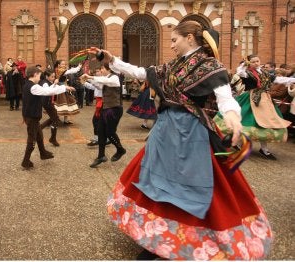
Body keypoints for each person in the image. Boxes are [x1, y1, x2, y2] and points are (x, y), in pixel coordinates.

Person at [91, 21, 273, 260]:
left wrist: (232, 116)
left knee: (187, 186)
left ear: (190, 38)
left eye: (174, 40)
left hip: (190, 134)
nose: (172, 45)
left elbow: (224, 96)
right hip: (165, 131)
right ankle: (156, 238)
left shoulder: (210, 66)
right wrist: (110, 60)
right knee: (155, 182)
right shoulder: (173, 66)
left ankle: (188, 240)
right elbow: (141, 72)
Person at [215, 54, 294, 160]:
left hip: (265, 101)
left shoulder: (265, 73)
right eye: (253, 61)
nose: (256, 63)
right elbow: (240, 72)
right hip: (251, 99)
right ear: (249, 63)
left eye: (258, 61)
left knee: (266, 123)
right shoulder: (247, 73)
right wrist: (244, 64)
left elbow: (278, 80)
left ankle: (264, 149)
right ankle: (237, 142)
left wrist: (292, 80)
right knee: (245, 121)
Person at [21, 66, 75, 169]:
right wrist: (64, 87)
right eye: (39, 76)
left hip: (32, 116)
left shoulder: (29, 85)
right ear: (35, 74)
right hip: (31, 117)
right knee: (32, 140)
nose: (40, 78)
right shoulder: (33, 87)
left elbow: (45, 90)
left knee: (39, 136)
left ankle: (43, 153)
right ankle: (25, 161)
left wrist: (55, 85)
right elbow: (47, 92)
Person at [83, 63, 126, 168]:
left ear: (108, 69)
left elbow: (108, 82)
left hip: (115, 109)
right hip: (106, 108)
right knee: (101, 131)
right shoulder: (104, 78)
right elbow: (99, 85)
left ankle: (120, 149)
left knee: (110, 132)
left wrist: (91, 76)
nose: (100, 70)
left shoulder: (114, 77)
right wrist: (87, 80)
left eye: (102, 68)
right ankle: (101, 156)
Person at [39, 69, 62, 146]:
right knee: (55, 119)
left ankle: (40, 128)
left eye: (54, 76)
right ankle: (53, 138)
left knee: (55, 118)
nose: (53, 78)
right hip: (47, 103)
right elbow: (48, 91)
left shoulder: (48, 82)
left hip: (49, 102)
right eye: (52, 77)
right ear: (46, 76)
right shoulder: (45, 83)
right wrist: (54, 84)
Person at [54, 60, 80, 124]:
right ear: (58, 65)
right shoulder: (60, 70)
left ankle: (64, 120)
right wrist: (78, 67)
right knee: (61, 105)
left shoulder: (58, 69)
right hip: (61, 89)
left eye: (65, 64)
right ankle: (55, 120)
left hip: (63, 88)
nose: (64, 65)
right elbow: (70, 71)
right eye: (62, 64)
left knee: (66, 105)